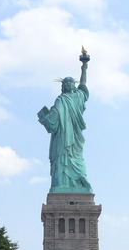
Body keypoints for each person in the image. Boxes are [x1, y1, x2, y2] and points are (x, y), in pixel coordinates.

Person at [38, 49, 92, 193]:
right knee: (63, 157)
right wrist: (46, 119)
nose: (68, 84)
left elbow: (84, 83)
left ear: (73, 86)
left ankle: (80, 180)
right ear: (63, 87)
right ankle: (61, 183)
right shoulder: (61, 100)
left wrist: (84, 66)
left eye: (70, 82)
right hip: (62, 136)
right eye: (66, 83)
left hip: (73, 136)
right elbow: (53, 124)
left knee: (75, 157)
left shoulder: (77, 97)